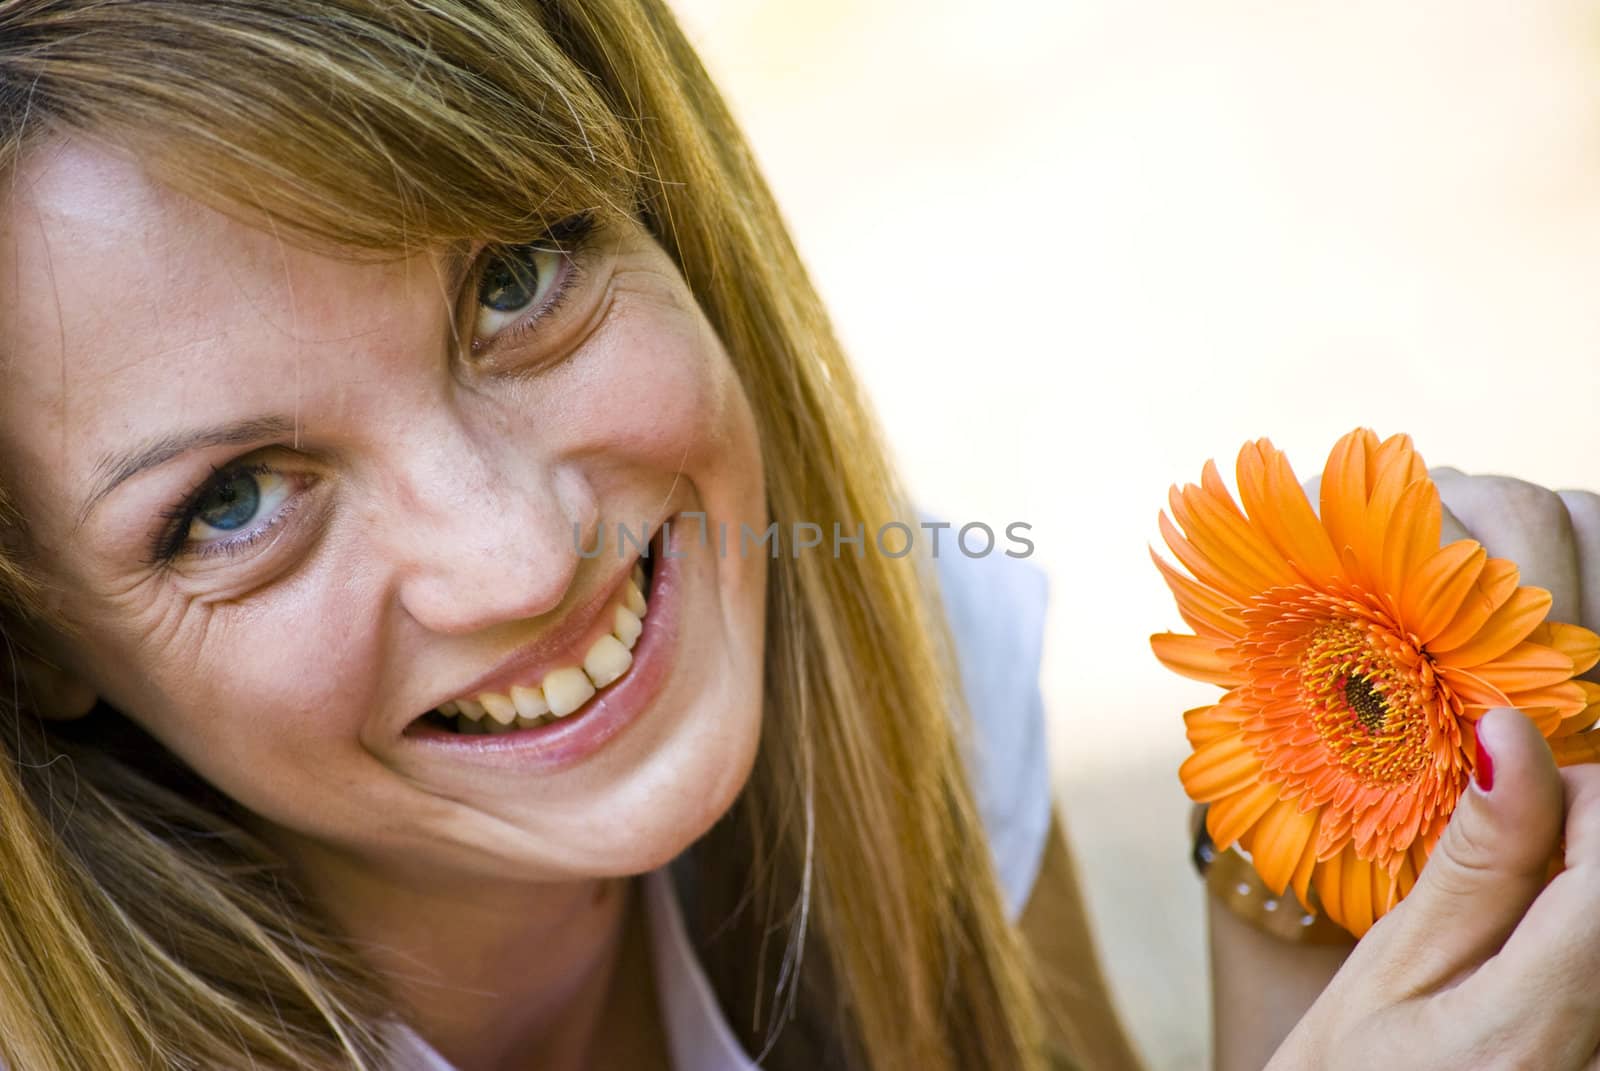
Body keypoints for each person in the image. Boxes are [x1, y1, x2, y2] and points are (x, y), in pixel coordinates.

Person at [0, 3, 1595, 1070]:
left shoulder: (895, 689)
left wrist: (1304, 888)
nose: (520, 562)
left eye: (513, 282)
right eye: (231, 503)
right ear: (37, 640)